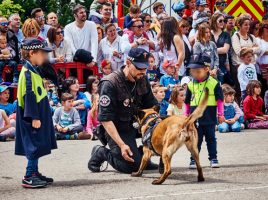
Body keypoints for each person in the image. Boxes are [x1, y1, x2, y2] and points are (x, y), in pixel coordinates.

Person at [88, 48, 159, 174]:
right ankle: (102, 152)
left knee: (163, 126)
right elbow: (105, 119)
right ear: (127, 63)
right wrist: (121, 145)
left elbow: (151, 106)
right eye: (139, 68)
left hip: (136, 124)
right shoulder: (110, 83)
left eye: (145, 68)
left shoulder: (142, 78)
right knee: (132, 166)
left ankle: (144, 156)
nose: (143, 72)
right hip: (117, 128)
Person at [15, 38, 57, 188]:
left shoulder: (34, 69)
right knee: (33, 144)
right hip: (31, 115)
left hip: (38, 112)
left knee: (38, 143)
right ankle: (29, 175)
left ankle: (35, 172)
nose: (45, 57)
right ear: (32, 53)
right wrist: (34, 116)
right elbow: (29, 96)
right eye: (43, 53)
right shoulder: (27, 73)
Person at [185, 54, 224, 169]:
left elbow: (220, 100)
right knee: (195, 140)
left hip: (209, 117)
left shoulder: (214, 83)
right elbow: (187, 102)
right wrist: (186, 115)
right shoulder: (190, 84)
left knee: (211, 139)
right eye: (192, 71)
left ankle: (213, 158)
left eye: (198, 71)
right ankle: (193, 159)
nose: (194, 74)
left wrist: (221, 114)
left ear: (207, 69)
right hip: (194, 118)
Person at [231, 15, 260, 100]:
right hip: (239, 67)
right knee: (242, 92)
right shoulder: (236, 36)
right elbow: (239, 52)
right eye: (245, 24)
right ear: (239, 25)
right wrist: (252, 49)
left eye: (249, 24)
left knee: (253, 92)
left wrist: (246, 49)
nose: (248, 26)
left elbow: (259, 49)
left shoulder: (251, 37)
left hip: (251, 66)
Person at [211, 13, 232, 84]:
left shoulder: (226, 34)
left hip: (221, 66)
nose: (223, 22)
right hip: (209, 66)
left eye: (224, 20)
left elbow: (225, 50)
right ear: (214, 21)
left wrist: (209, 50)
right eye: (220, 21)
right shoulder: (208, 33)